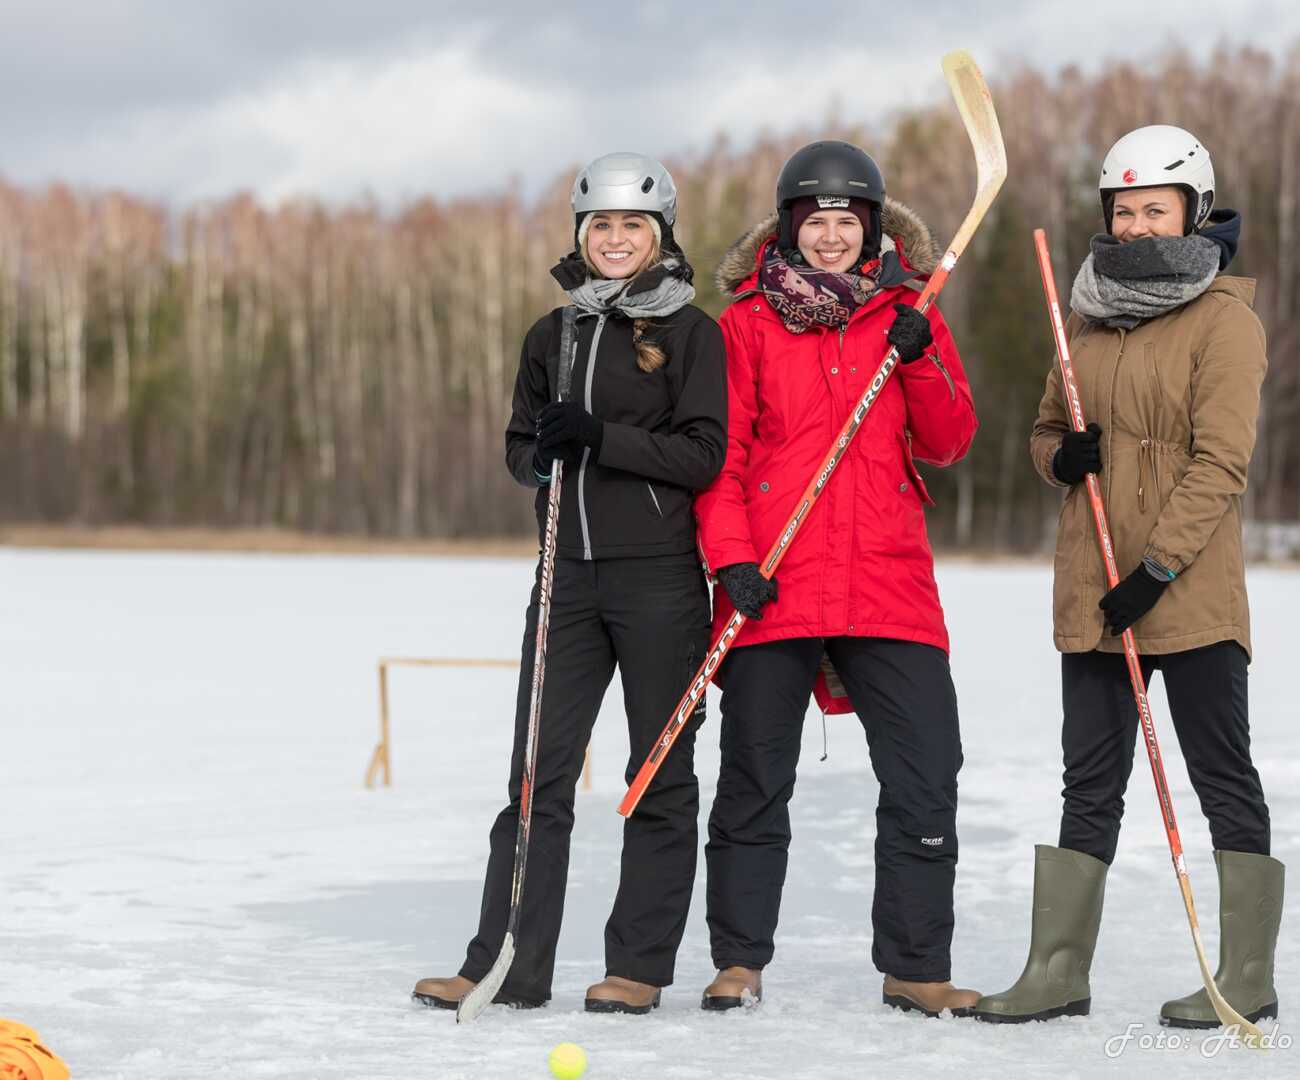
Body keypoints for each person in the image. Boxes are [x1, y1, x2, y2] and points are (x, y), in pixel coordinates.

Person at [974, 125, 1281, 1028]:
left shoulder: (1227, 318)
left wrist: (1155, 570)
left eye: (1156, 208)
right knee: (1089, 780)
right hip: (1092, 585)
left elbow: (1223, 464)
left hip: (1187, 586)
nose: (1139, 225)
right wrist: (1061, 460)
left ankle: (1248, 976)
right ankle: (1058, 971)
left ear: (1194, 210)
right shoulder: (1086, 314)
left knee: (1223, 772)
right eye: (1124, 210)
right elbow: (1040, 429)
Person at [412, 152, 727, 1015]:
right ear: (580, 237)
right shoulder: (551, 334)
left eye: (633, 225)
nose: (616, 239)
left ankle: (637, 966)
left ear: (661, 235)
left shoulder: (694, 333)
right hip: (565, 582)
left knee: (657, 774)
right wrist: (539, 456)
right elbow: (520, 447)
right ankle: (507, 960)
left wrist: (601, 437)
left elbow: (705, 456)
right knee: (534, 777)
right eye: (601, 226)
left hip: (660, 581)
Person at [693, 140, 981, 1016]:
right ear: (788, 228)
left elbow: (949, 440)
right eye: (813, 221)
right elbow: (724, 459)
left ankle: (915, 966)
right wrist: (733, 561)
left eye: (845, 221)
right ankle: (739, 961)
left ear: (872, 227)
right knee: (753, 776)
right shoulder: (745, 323)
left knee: (928, 773)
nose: (829, 237)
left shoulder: (911, 311)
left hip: (887, 582)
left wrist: (921, 353)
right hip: (773, 580)